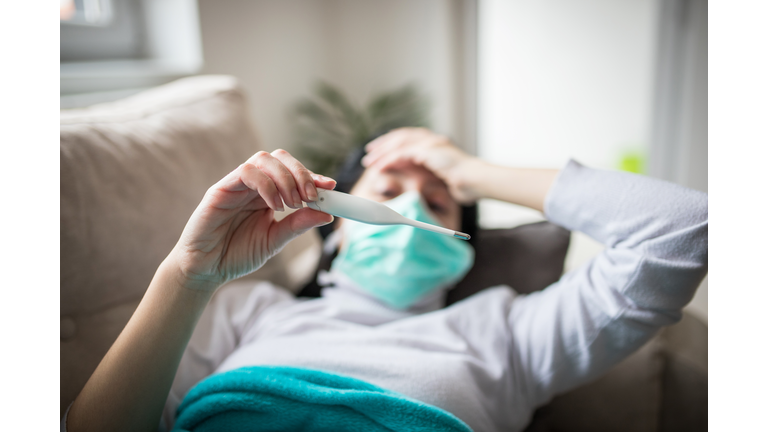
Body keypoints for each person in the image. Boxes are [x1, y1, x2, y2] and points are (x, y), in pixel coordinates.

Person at [62, 128, 708, 432]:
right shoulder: (246, 311)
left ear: (463, 246)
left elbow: (682, 228)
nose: (412, 210)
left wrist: (469, 169)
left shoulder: (508, 331)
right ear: (334, 227)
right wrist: (187, 275)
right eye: (389, 192)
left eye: (440, 201)